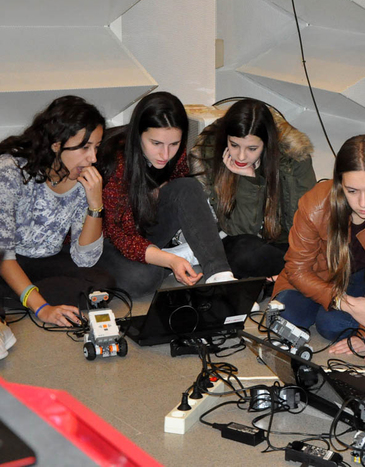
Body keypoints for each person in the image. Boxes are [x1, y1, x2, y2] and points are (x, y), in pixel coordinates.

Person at [271, 134, 365, 352]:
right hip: (323, 275)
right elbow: (297, 270)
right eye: (352, 191)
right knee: (286, 314)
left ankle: (363, 311)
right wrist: (345, 303)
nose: (363, 203)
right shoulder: (314, 205)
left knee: (332, 325)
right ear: (340, 184)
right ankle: (340, 305)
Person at [0, 96, 114, 342]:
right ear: (56, 144)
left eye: (96, 146)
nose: (93, 157)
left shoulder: (83, 177)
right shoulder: (11, 170)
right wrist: (43, 309)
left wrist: (95, 204)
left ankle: (21, 295)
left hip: (43, 262)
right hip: (6, 260)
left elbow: (85, 259)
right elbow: (4, 254)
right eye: (84, 148)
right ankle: (29, 297)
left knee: (101, 282)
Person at [99, 92, 234, 298]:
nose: (165, 154)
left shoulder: (172, 152)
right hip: (108, 239)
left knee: (188, 186)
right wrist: (168, 261)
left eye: (174, 144)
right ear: (138, 134)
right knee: (142, 278)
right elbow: (120, 235)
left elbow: (179, 188)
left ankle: (221, 277)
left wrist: (156, 191)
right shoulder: (116, 158)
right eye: (156, 144)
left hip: (144, 224)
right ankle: (171, 255)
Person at [189, 98, 316, 279]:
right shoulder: (211, 157)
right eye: (234, 145)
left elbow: (304, 223)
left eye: (252, 148)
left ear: (267, 144)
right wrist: (248, 180)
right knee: (243, 255)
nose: (241, 156)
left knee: (319, 255)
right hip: (241, 241)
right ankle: (284, 278)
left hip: (283, 242)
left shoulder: (294, 159)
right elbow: (238, 231)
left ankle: (280, 278)